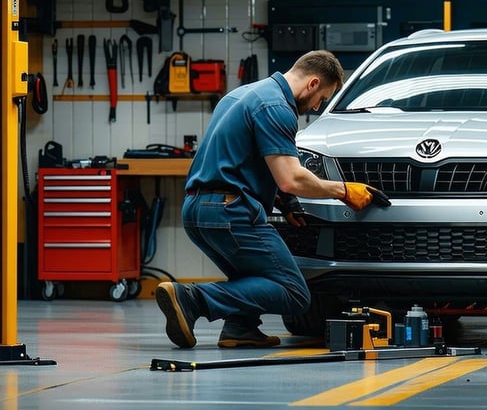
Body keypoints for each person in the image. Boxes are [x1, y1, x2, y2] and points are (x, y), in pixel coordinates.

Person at [155, 50, 390, 349]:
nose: (317, 107)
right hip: (232, 212)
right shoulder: (277, 107)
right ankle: (194, 299)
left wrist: (287, 204)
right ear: (313, 83)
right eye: (322, 99)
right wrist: (344, 190)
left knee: (255, 273)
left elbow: (248, 161)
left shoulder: (241, 95)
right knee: (293, 292)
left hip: (198, 211)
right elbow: (290, 178)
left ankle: (241, 328)